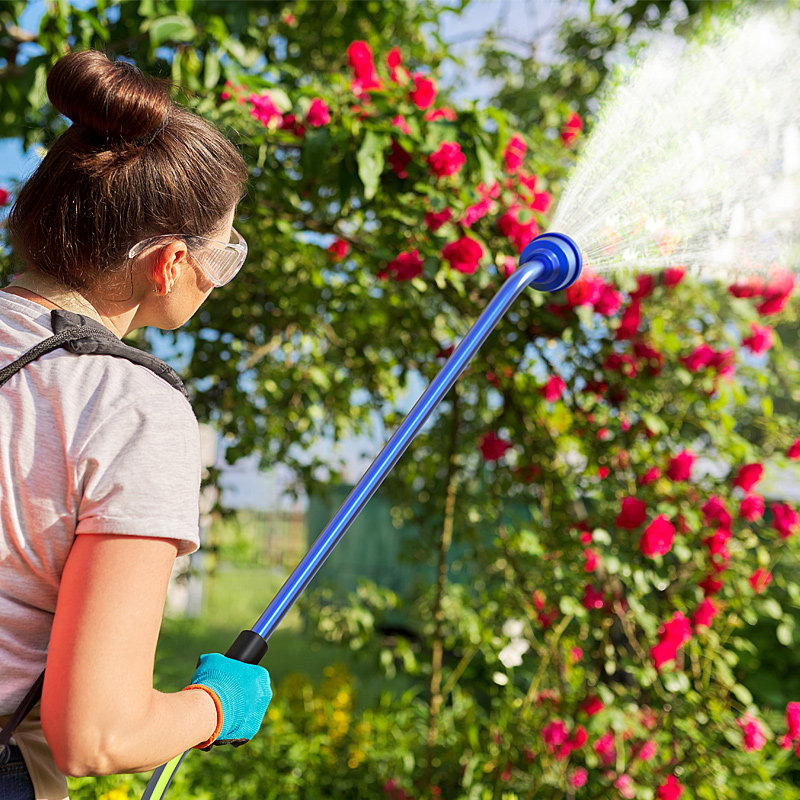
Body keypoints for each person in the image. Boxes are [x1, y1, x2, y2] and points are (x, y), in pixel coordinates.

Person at [0, 50, 272, 800]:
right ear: (170, 263)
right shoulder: (128, 407)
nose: (219, 277)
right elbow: (96, 733)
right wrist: (216, 708)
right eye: (225, 254)